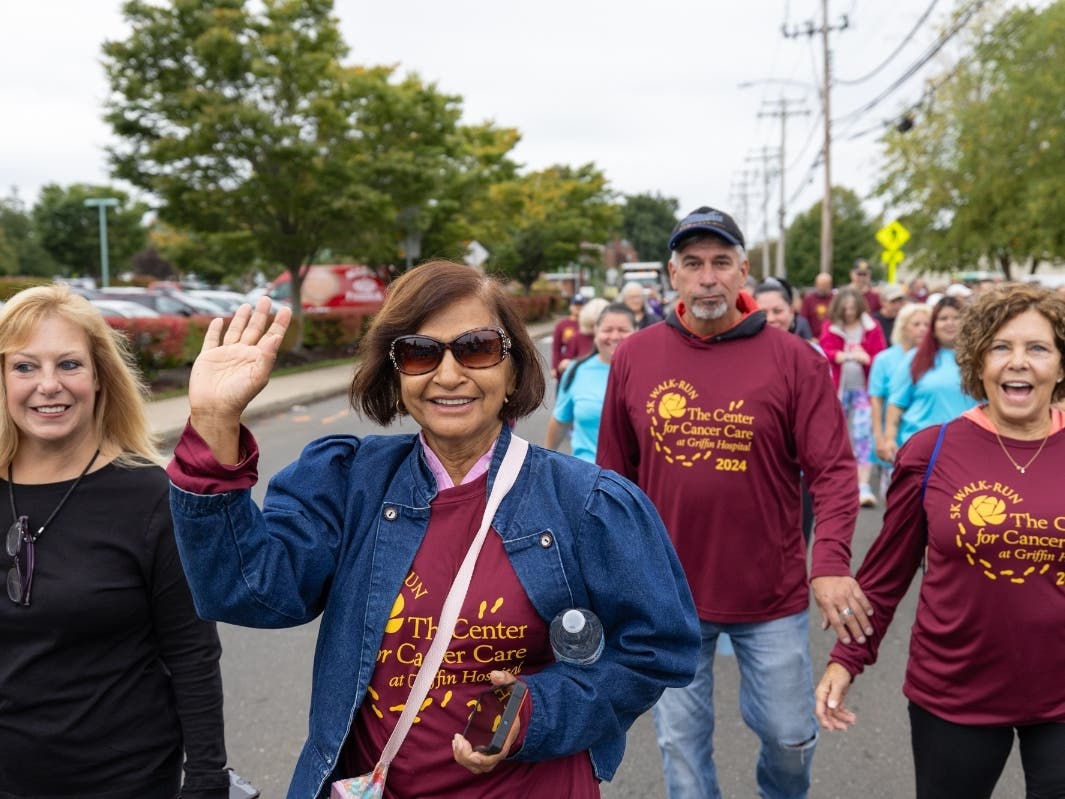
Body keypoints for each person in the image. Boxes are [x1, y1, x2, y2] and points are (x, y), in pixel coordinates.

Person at [167, 260, 700, 799]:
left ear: (512, 368)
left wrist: (537, 713)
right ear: (395, 376)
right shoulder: (350, 483)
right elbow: (245, 591)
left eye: (477, 348)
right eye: (420, 353)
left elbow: (657, 649)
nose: (448, 375)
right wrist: (215, 421)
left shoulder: (587, 503)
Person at [597, 206, 871, 799]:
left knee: (790, 736)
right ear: (674, 275)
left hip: (769, 594)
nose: (708, 277)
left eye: (721, 262)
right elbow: (613, 480)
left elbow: (834, 472)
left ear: (743, 271)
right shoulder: (635, 358)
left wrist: (828, 563)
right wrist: (613, 576)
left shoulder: (795, 360)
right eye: (693, 264)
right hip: (668, 597)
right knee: (681, 747)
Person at [815, 283, 1065, 798]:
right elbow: (886, 576)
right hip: (955, 692)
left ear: (1060, 367)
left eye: (1037, 348)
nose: (1018, 363)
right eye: (1001, 347)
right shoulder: (933, 451)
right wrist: (847, 658)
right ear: (978, 361)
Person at [0, 285, 229, 799]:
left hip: (125, 780)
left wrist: (208, 780)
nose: (48, 386)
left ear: (100, 376)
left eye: (69, 365)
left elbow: (192, 653)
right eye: (25, 367)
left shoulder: (152, 495)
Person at [878, 296, 977, 464]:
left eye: (956, 318)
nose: (950, 323)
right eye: (943, 318)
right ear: (933, 326)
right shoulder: (915, 359)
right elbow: (896, 403)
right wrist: (888, 439)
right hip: (922, 450)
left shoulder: (979, 360)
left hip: (968, 449)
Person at [819, 288, 887, 508]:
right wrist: (840, 355)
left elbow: (880, 354)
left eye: (852, 308)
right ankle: (834, 482)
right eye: (845, 308)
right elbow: (824, 349)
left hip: (862, 390)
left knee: (862, 436)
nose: (849, 312)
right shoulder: (831, 326)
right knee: (833, 434)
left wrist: (866, 358)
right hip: (837, 389)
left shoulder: (872, 327)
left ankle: (863, 484)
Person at [546, 302, 636, 462]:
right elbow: (560, 420)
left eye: (623, 330)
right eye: (607, 330)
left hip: (635, 481)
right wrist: (543, 462)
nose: (615, 336)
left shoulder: (650, 372)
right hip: (587, 477)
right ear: (596, 332)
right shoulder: (576, 370)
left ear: (637, 331)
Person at [867, 303, 931, 497]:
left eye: (926, 324)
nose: (922, 329)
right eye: (916, 324)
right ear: (903, 327)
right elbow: (876, 400)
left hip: (921, 437)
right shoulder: (884, 359)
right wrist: (879, 437)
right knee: (896, 499)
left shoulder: (935, 359)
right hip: (894, 437)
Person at [550, 294, 590, 381]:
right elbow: (556, 348)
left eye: (581, 305)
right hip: (565, 367)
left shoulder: (588, 325)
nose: (578, 307)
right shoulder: (562, 325)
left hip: (583, 367)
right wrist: (555, 367)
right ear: (571, 307)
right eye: (575, 305)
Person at [800, 272, 834, 338]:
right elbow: (803, 321)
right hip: (813, 339)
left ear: (830, 285)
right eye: (820, 285)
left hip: (830, 338)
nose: (822, 288)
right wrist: (809, 337)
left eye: (825, 285)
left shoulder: (835, 299)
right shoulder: (808, 300)